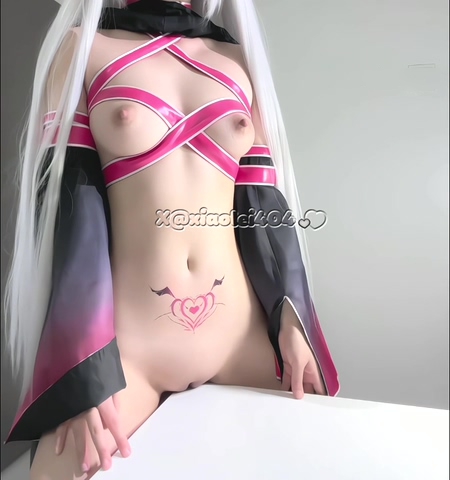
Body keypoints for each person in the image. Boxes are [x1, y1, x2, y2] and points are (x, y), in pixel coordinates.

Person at [4, 0, 339, 477]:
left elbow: (263, 205)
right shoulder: (83, 49)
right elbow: (70, 211)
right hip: (131, 350)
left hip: (240, 340)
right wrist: (81, 365)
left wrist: (292, 318)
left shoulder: (238, 59)